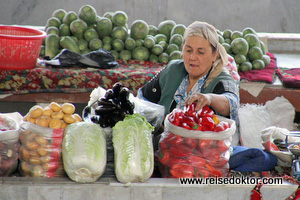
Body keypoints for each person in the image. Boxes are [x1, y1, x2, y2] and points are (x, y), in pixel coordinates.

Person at [137, 21, 240, 145]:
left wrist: (209, 98)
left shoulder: (222, 79)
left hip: (205, 153)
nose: (192, 57)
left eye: (200, 52)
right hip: (164, 148)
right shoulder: (173, 70)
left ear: (214, 55)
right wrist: (159, 120)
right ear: (182, 49)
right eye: (188, 50)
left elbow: (231, 102)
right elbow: (143, 99)